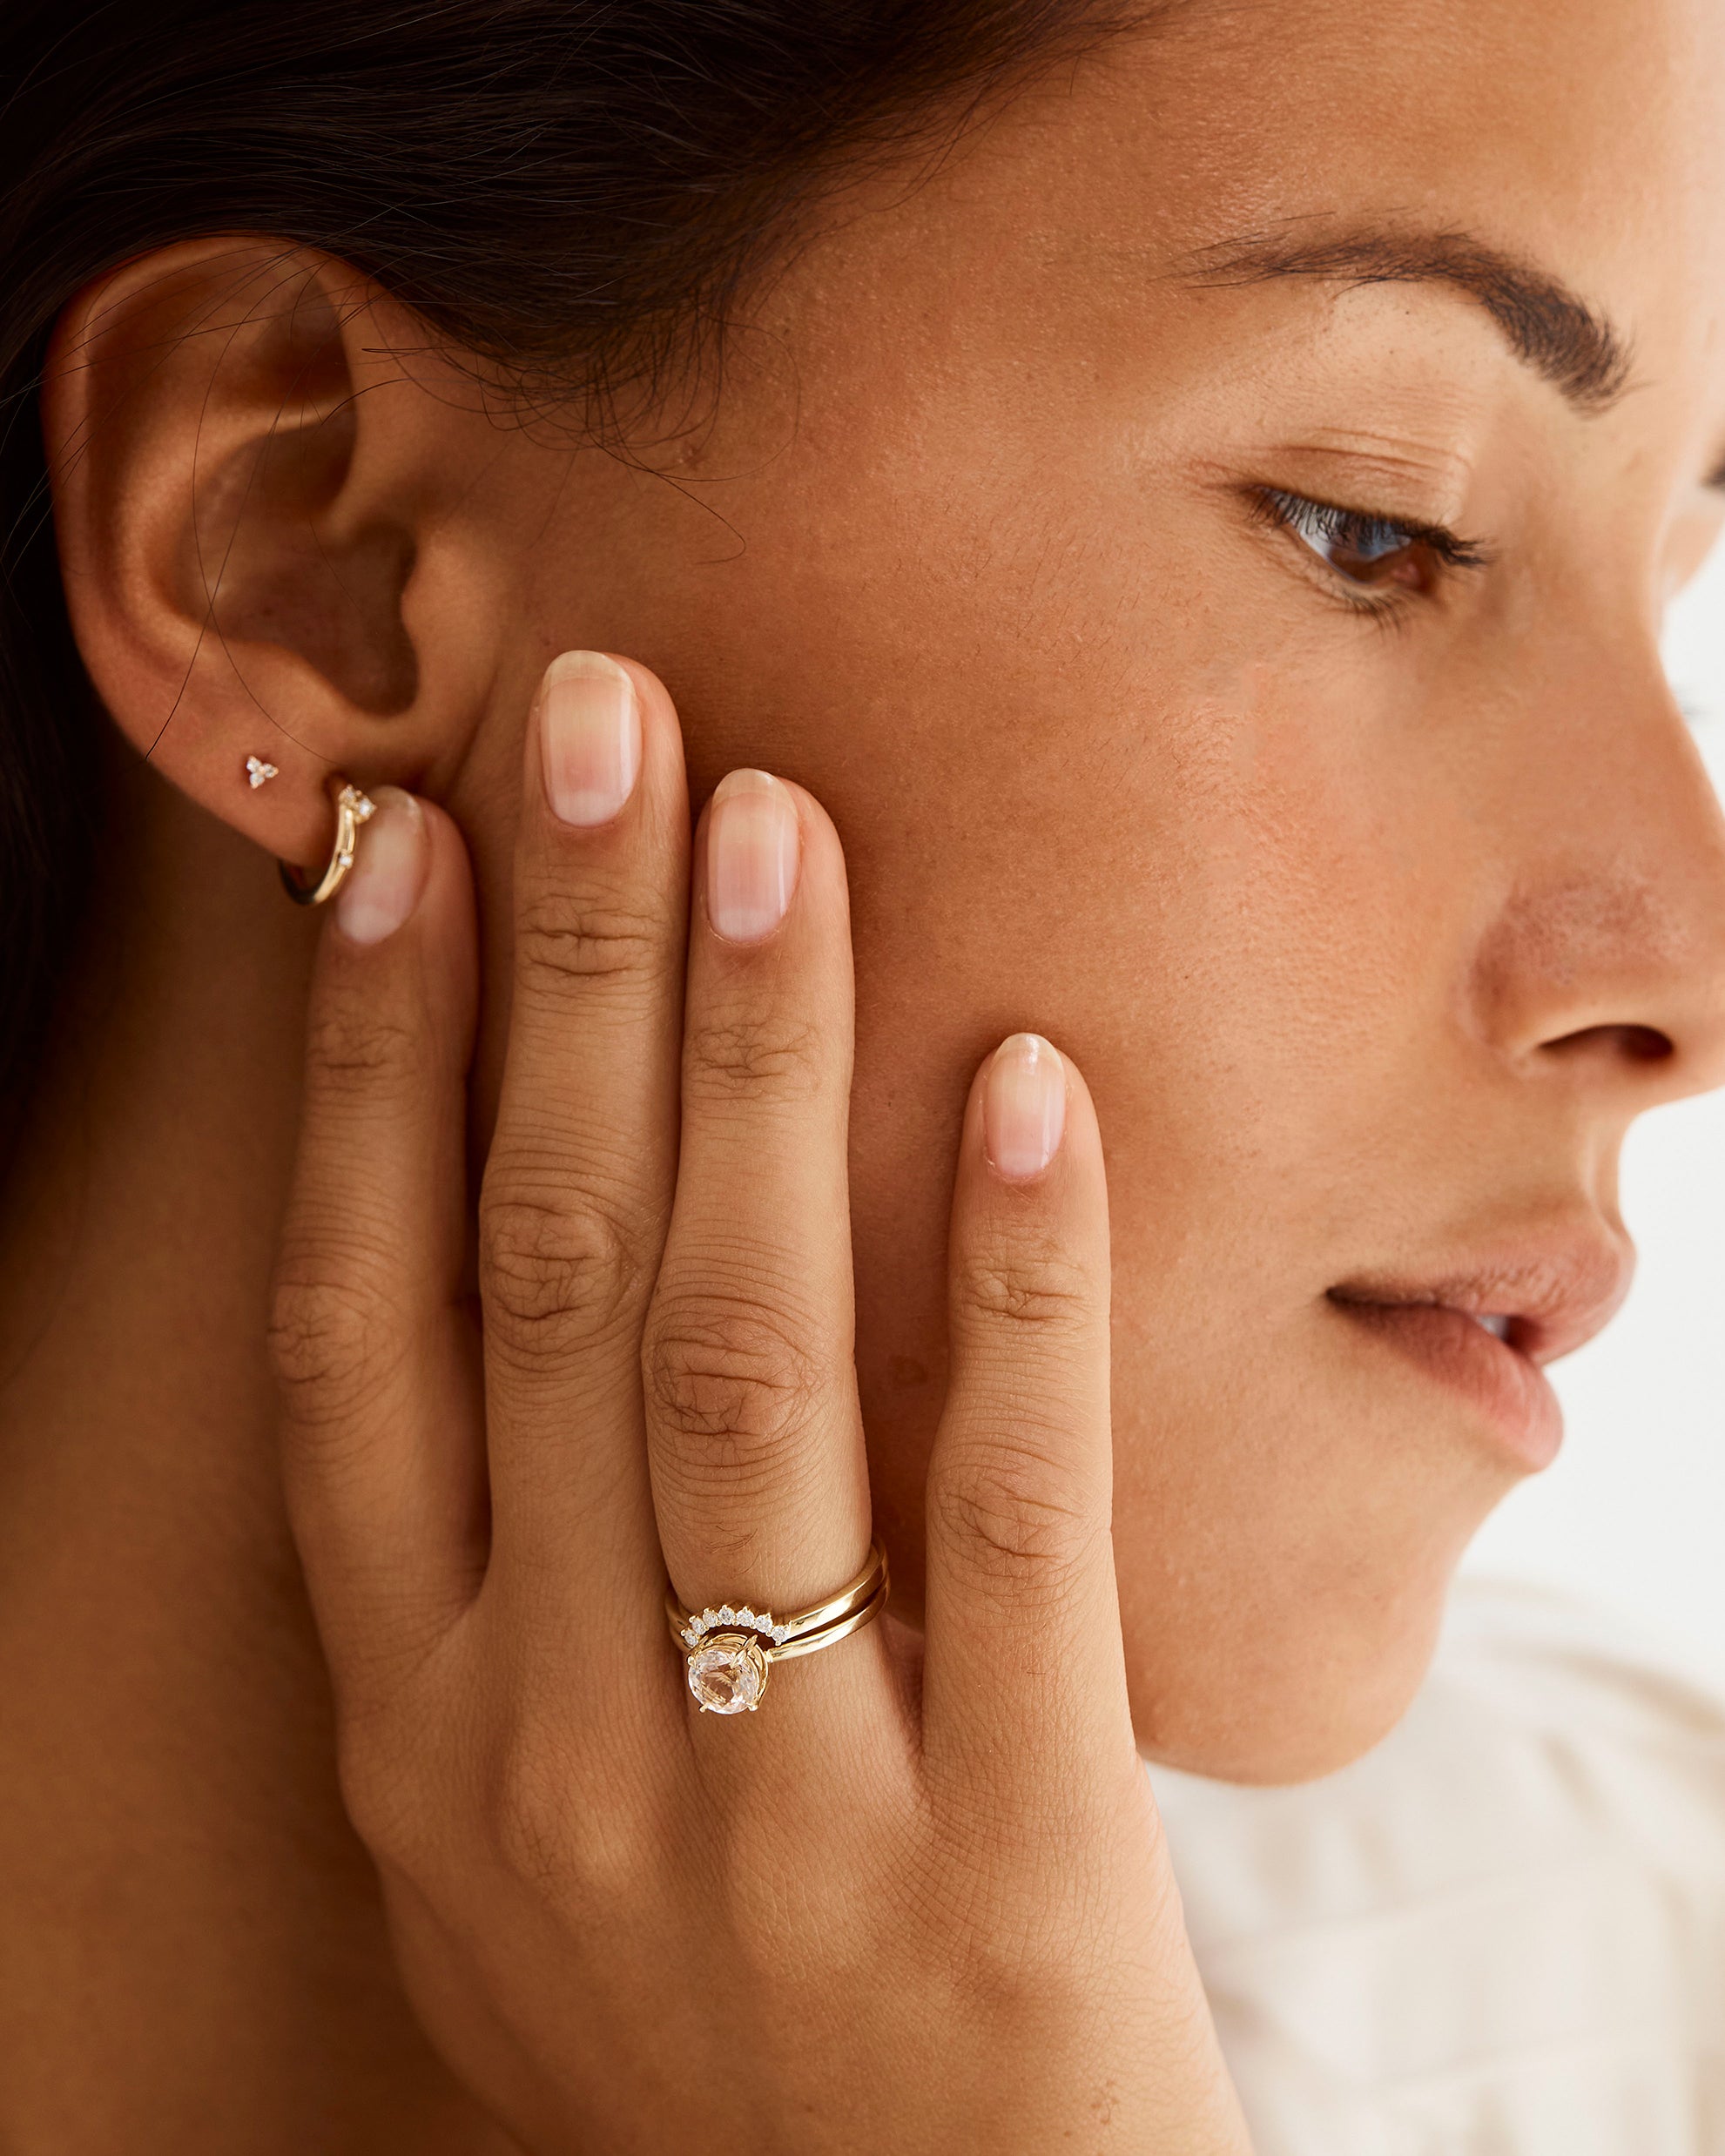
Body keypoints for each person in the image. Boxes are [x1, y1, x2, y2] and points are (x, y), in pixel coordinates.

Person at [3, 0, 1723, 2146]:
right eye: (1370, 526)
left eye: (1678, 588)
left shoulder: (1659, 2001)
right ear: (303, 549)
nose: (1684, 973)